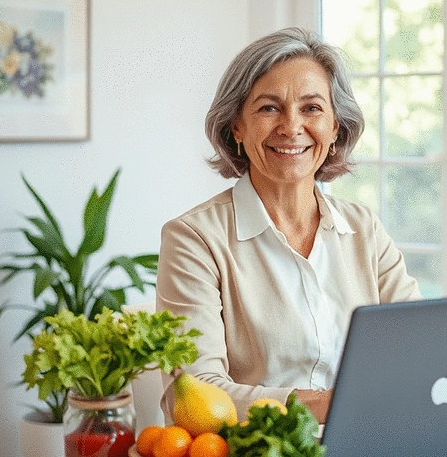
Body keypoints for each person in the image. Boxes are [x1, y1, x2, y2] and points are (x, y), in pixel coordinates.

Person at [156, 27, 421, 424]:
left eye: (312, 108)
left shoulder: (363, 229)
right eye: (268, 108)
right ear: (237, 128)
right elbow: (194, 392)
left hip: (368, 444)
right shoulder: (194, 239)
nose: (291, 126)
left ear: (335, 128)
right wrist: (327, 406)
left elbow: (422, 345)